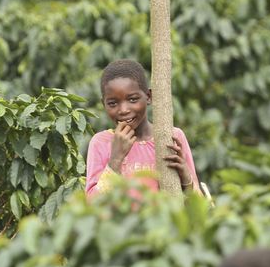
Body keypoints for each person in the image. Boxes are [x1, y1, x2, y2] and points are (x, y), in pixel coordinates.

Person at [85, 59, 199, 199]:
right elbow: (91, 205)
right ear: (104, 104)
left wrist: (186, 178)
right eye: (113, 103)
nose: (124, 110)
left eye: (133, 99)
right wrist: (115, 159)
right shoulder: (101, 142)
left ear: (148, 96)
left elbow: (199, 208)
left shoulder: (172, 137)